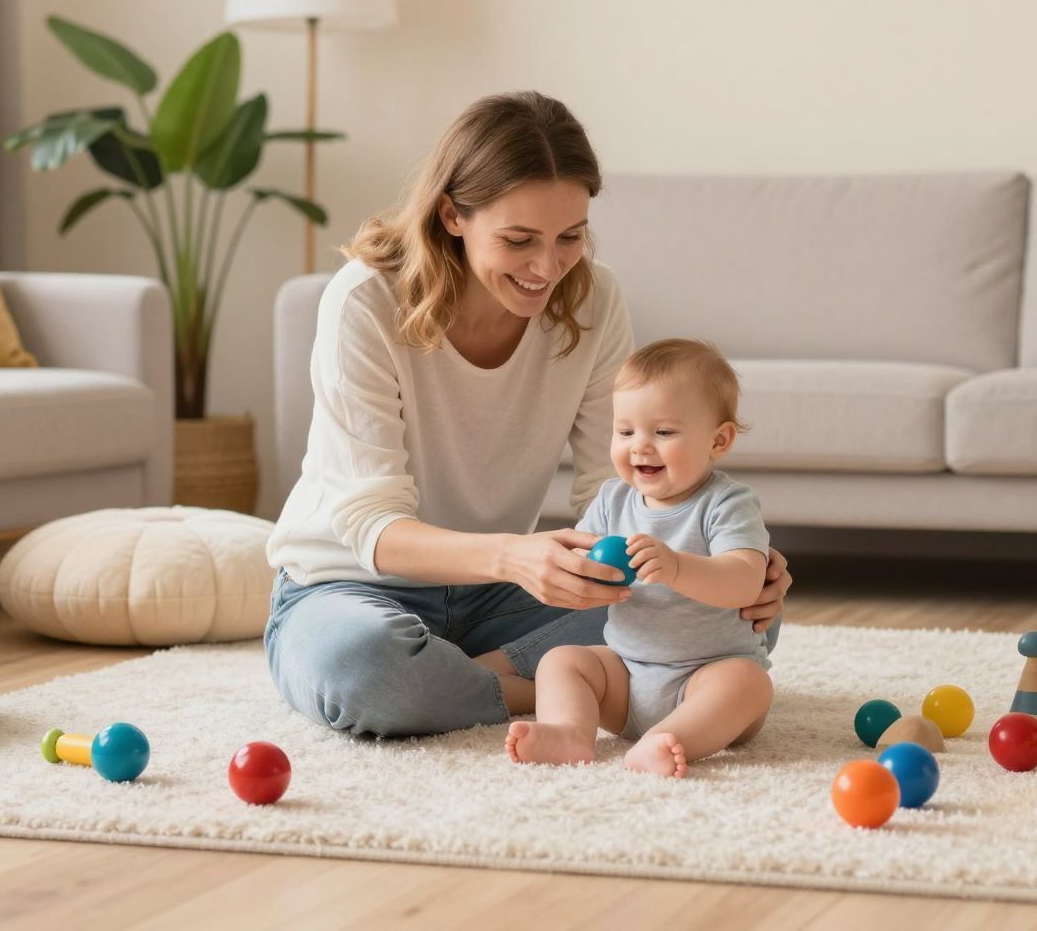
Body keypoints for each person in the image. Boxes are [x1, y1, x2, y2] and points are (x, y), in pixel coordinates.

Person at [263, 92, 791, 737]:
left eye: (570, 237)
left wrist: (726, 560)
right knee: (366, 669)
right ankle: (524, 687)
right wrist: (514, 557)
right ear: (453, 214)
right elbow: (374, 527)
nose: (548, 267)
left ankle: (469, 679)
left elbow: (618, 484)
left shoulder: (594, 297)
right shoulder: (365, 301)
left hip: (504, 597)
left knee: (738, 614)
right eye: (519, 240)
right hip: (350, 586)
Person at [506, 338, 775, 777]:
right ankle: (570, 732)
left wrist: (677, 566)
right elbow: (580, 555)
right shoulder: (613, 500)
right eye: (625, 431)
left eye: (664, 432)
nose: (640, 447)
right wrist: (574, 571)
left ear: (718, 440)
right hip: (626, 677)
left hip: (704, 679)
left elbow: (746, 580)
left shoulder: (728, 503)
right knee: (562, 661)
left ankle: (666, 742)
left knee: (749, 684)